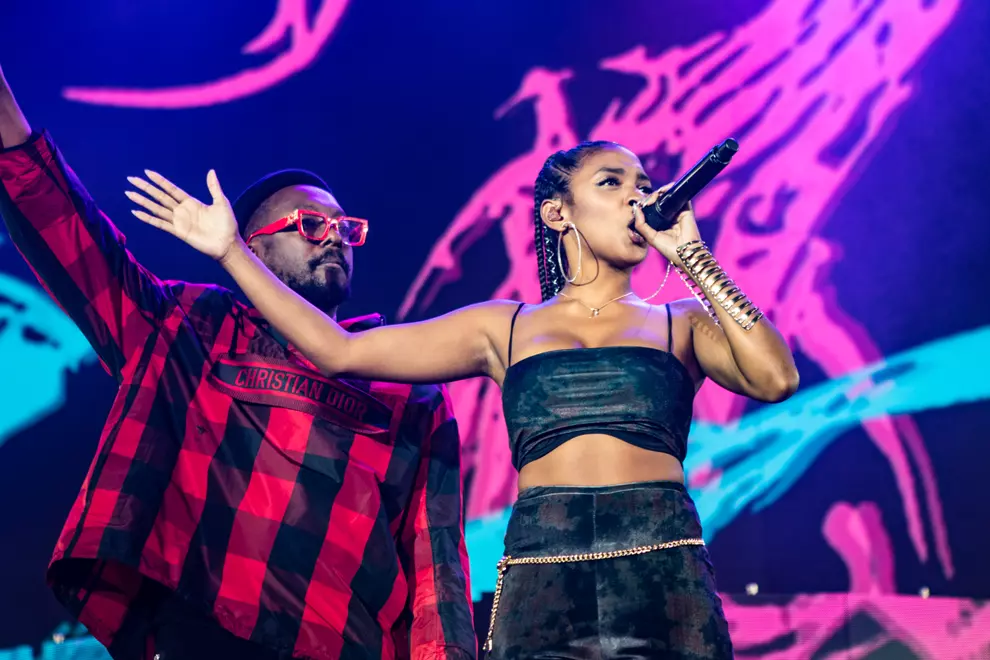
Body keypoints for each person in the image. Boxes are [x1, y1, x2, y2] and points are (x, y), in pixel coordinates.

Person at [126, 139, 800, 659]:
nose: (638, 198)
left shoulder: (682, 322)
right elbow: (340, 351)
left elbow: (775, 379)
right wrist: (231, 254)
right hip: (545, 577)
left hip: (664, 568)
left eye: (644, 186)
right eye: (612, 182)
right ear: (557, 213)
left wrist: (692, 256)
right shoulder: (503, 328)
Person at [0, 64, 476, 660]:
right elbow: (71, 239)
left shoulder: (407, 386)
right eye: (311, 224)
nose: (334, 236)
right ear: (253, 247)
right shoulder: (190, 327)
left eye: (344, 228)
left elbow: (437, 563)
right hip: (207, 630)